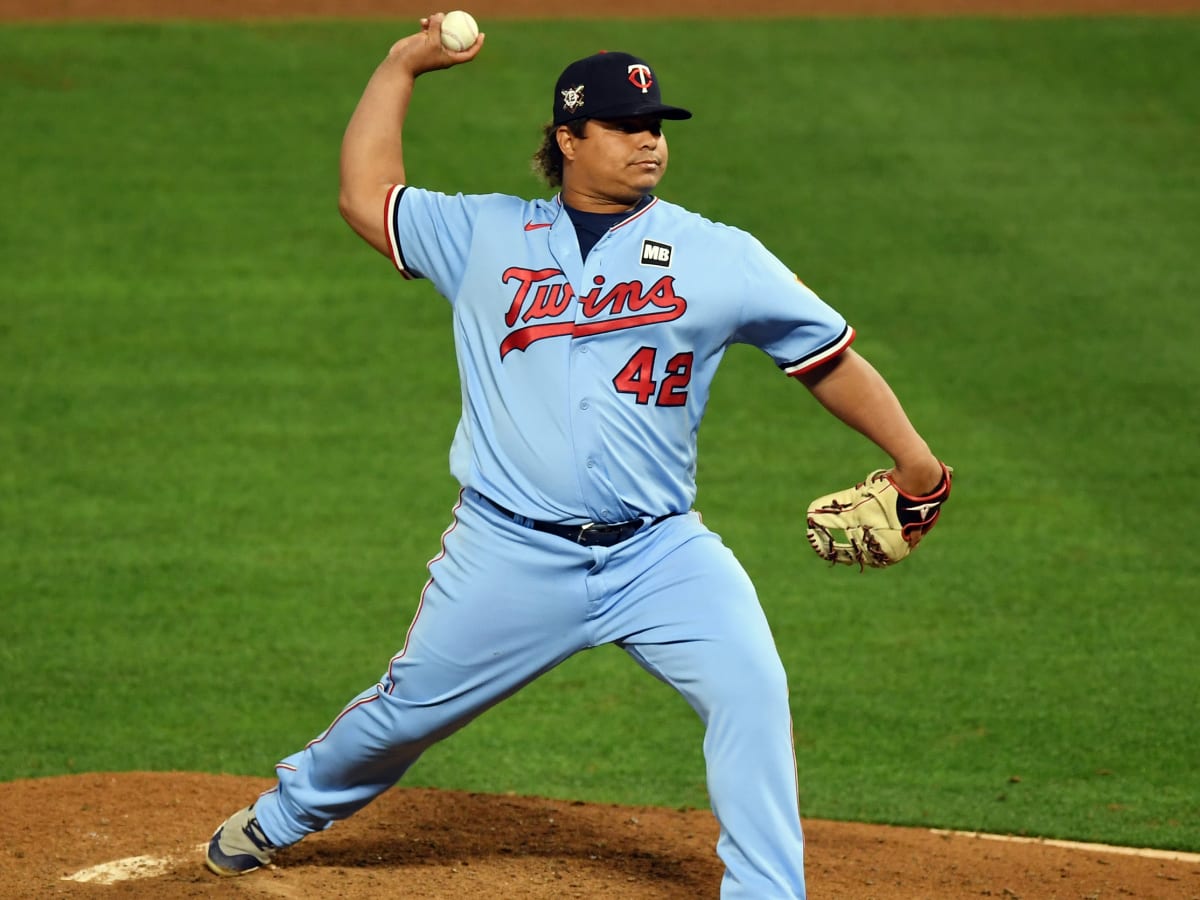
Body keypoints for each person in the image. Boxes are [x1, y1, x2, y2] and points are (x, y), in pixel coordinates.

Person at [205, 13, 949, 899]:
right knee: (404, 714)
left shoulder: (720, 255)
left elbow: (825, 358)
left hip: (660, 553)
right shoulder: (484, 236)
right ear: (568, 137)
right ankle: (282, 817)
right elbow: (367, 194)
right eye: (627, 126)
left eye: (656, 127)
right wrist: (403, 64)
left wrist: (918, 468)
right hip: (509, 553)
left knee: (752, 690)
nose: (650, 143)